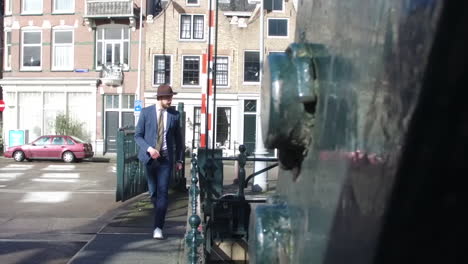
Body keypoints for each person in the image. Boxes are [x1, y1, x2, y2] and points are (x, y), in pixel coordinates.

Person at [135, 84, 184, 239]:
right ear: (160, 98)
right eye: (168, 97)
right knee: (153, 193)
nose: (170, 100)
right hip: (150, 159)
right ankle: (159, 212)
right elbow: (137, 136)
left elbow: (179, 139)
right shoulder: (145, 113)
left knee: (163, 193)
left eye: (171, 97)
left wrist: (180, 159)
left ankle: (158, 227)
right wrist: (149, 149)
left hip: (166, 159)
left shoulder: (175, 115)